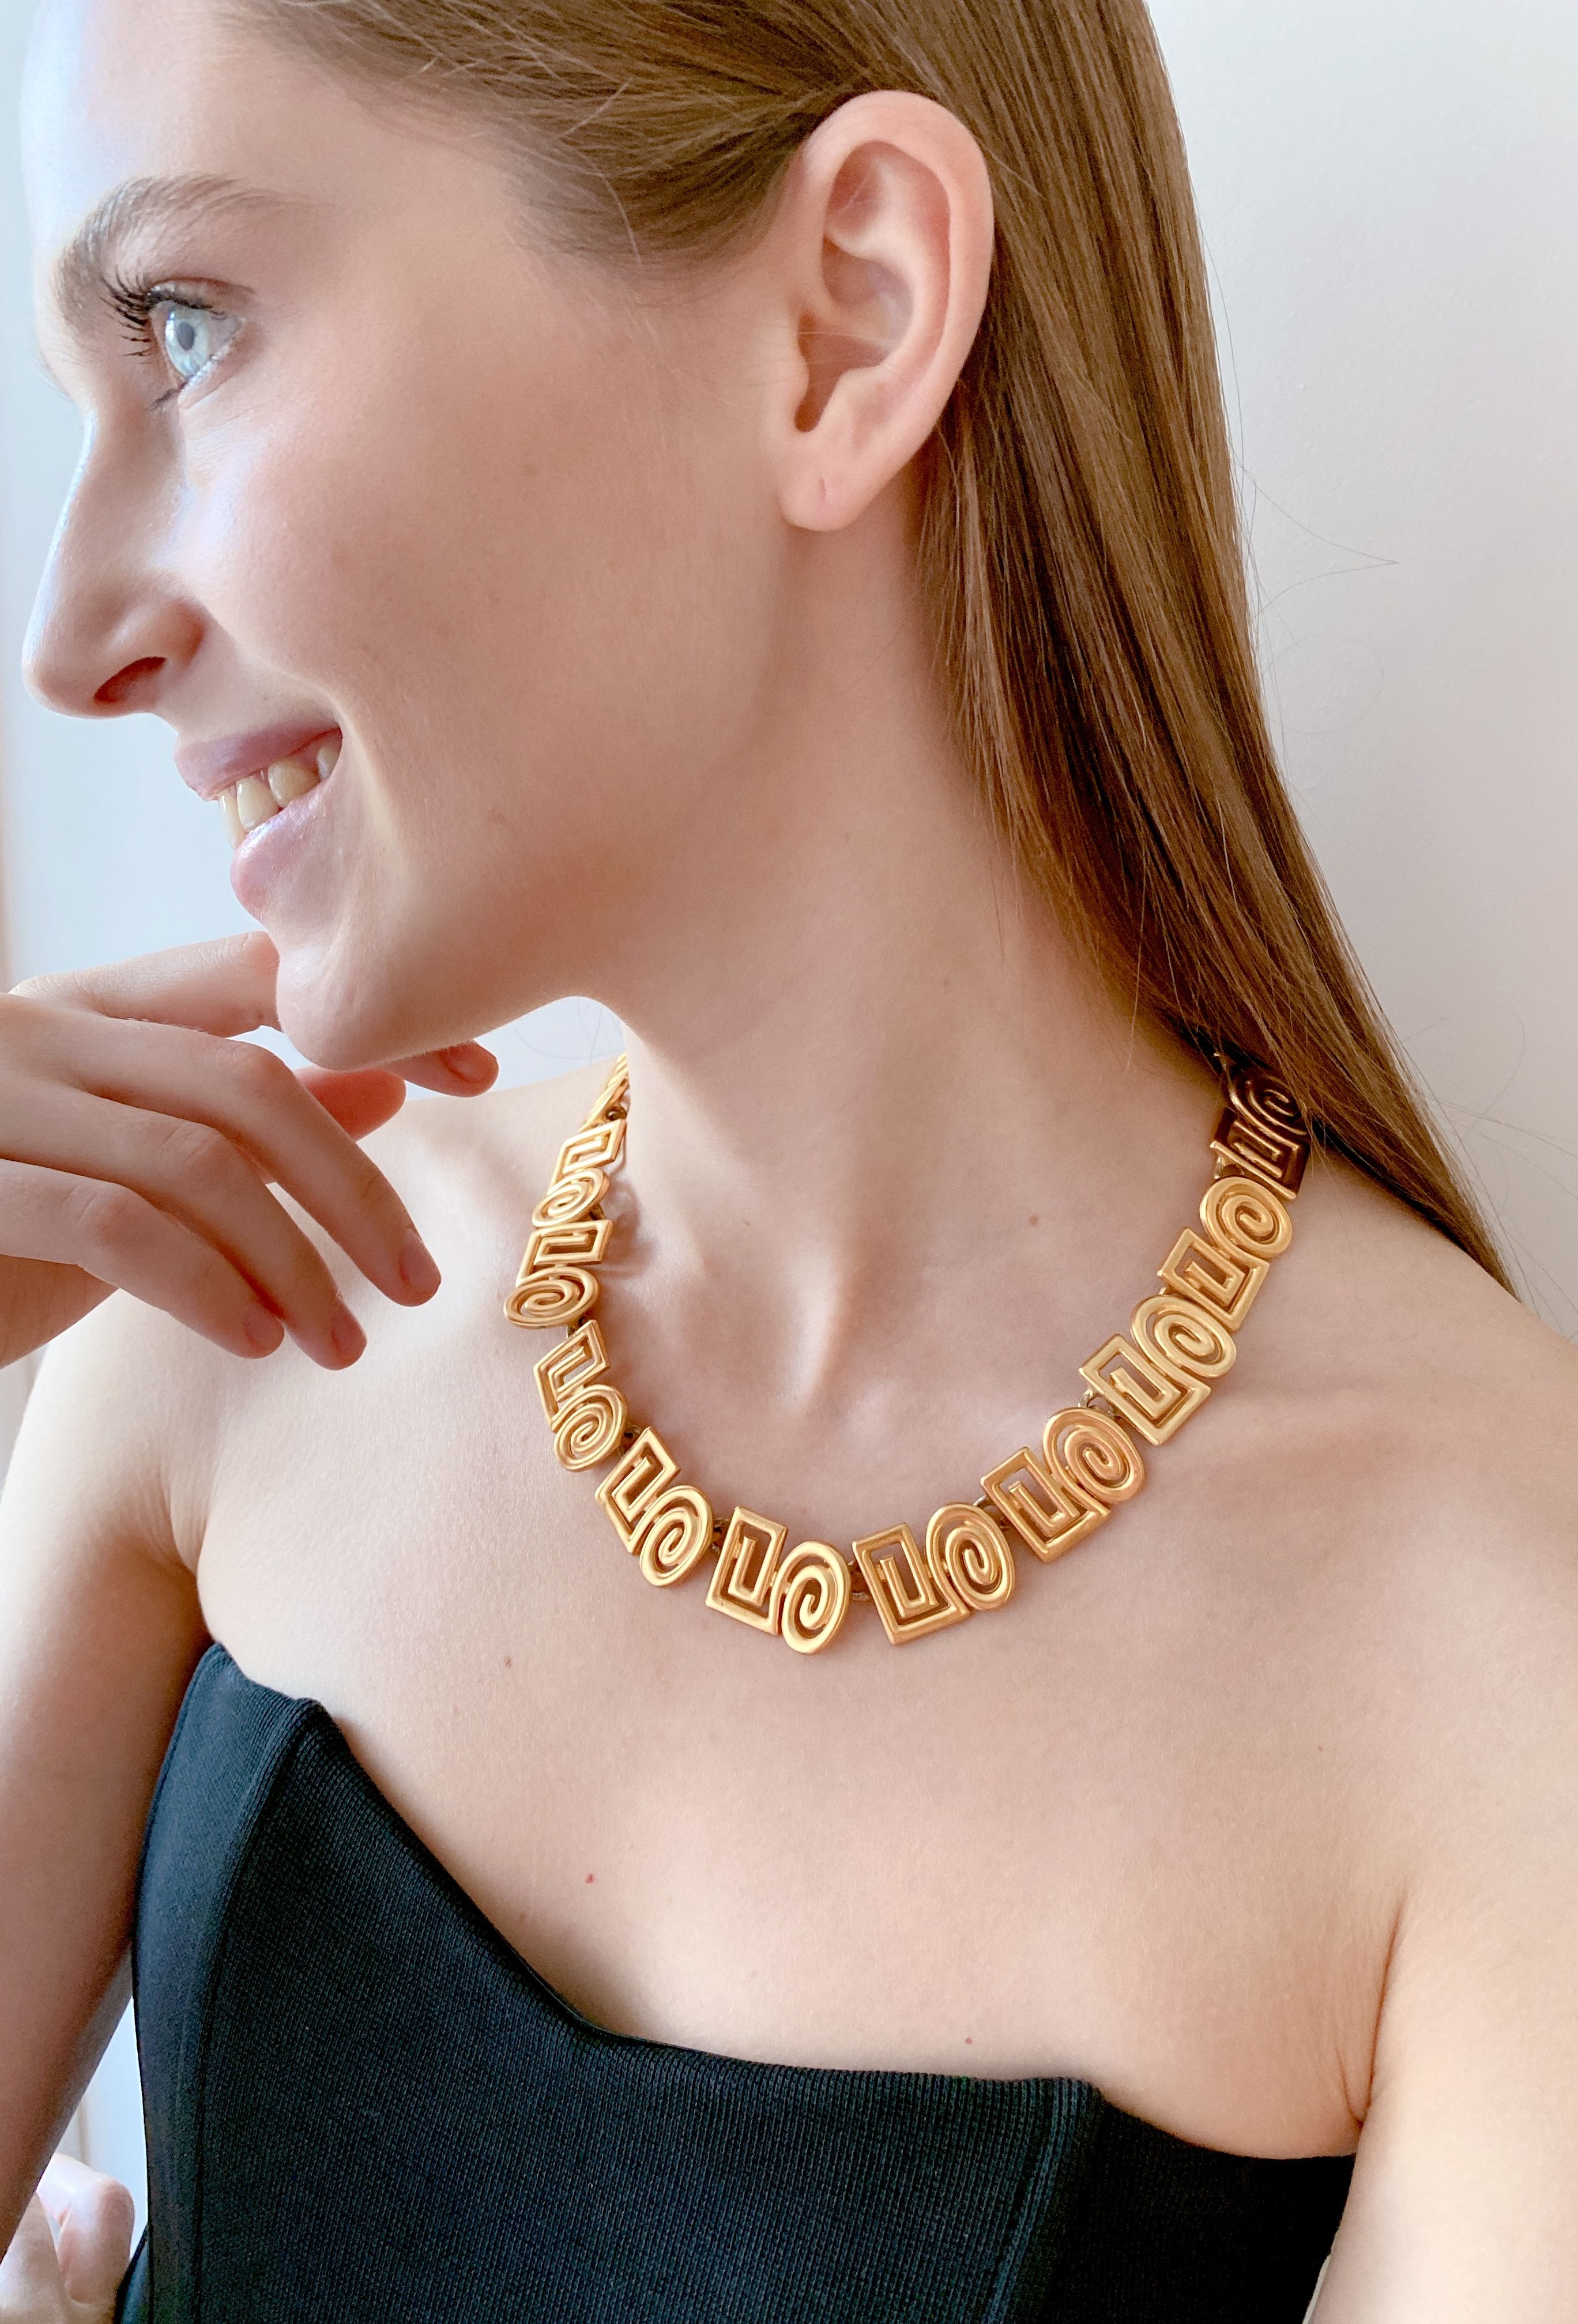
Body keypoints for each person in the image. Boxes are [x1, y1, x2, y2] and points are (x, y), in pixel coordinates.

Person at [2, 0, 1576, 2315]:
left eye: (191, 328)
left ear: (848, 314)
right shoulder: (229, 1298)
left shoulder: (1495, 1664)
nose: (72, 639)